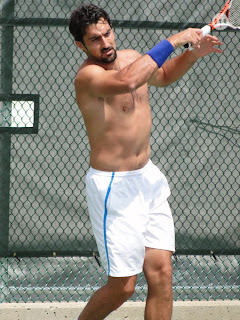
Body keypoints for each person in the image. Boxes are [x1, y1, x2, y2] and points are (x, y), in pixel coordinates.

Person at [69, 4, 223, 320]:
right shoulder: (88, 76)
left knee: (162, 273)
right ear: (81, 46)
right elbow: (126, 82)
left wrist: (192, 54)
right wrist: (177, 39)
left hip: (148, 179)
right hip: (114, 186)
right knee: (123, 287)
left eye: (107, 32)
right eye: (95, 39)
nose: (105, 42)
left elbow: (163, 75)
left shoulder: (131, 58)